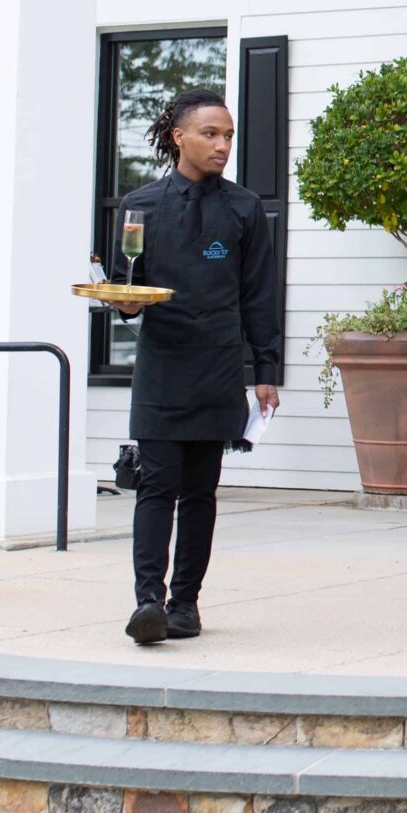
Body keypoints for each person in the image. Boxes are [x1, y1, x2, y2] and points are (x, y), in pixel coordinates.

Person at [111, 88, 280, 647]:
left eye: (228, 135)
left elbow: (259, 295)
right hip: (161, 366)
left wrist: (264, 371)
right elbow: (125, 285)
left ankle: (185, 605)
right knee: (155, 487)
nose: (222, 144)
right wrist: (127, 302)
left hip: (217, 368)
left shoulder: (243, 208)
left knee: (201, 493)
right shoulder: (140, 205)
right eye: (211, 133)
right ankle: (147, 603)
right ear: (179, 136)